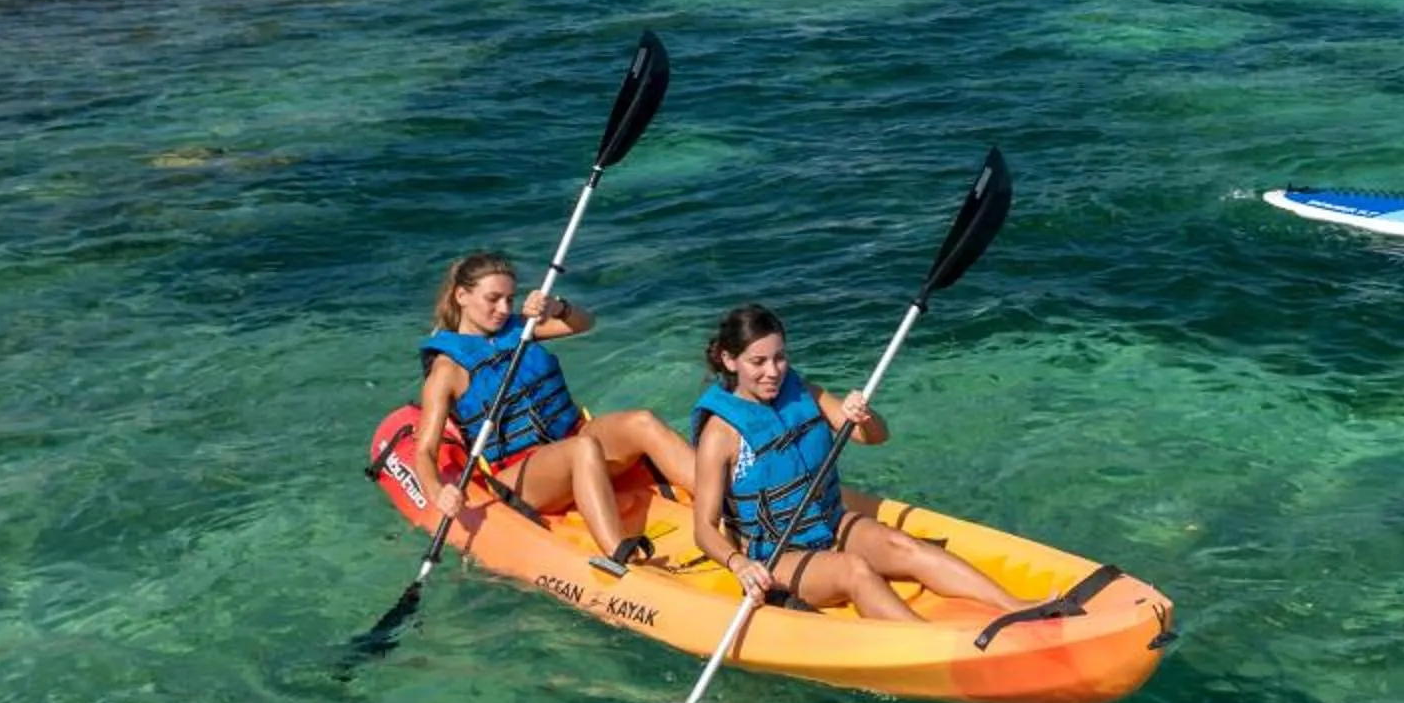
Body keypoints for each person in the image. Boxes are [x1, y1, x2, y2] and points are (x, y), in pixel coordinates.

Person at [685, 304, 1014, 618]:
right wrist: (739, 564)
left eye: (780, 358)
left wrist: (864, 416)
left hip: (828, 522)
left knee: (902, 545)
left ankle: (1016, 606)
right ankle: (933, 644)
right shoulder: (721, 435)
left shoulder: (805, 394)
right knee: (855, 570)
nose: (773, 372)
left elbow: (875, 437)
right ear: (730, 361)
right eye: (758, 362)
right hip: (776, 555)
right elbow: (704, 528)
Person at [410, 250, 698, 570]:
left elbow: (585, 323)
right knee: (581, 448)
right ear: (462, 295)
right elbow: (424, 452)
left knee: (642, 421)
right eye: (493, 299)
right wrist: (438, 491)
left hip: (572, 438)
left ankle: (728, 502)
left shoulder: (521, 328)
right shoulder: (447, 370)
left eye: (510, 298)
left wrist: (555, 306)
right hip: (523, 477)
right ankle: (621, 556)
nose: (504, 309)